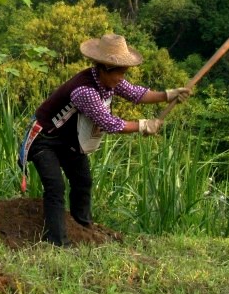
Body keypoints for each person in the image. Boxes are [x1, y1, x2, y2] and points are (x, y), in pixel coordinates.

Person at [18, 33, 190, 246]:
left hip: (68, 140)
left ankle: (82, 229)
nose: (122, 78)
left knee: (83, 181)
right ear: (105, 68)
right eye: (120, 72)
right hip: (44, 139)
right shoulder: (85, 91)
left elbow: (136, 94)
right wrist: (143, 125)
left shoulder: (110, 81)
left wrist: (168, 95)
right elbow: (109, 123)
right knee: (55, 187)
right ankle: (57, 241)